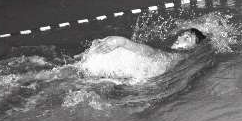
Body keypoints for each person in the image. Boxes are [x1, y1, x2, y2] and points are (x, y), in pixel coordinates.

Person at [76, 28, 207, 81]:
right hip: (135, 77)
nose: (180, 38)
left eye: (187, 38)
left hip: (139, 80)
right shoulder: (177, 55)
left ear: (193, 46)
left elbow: (153, 54)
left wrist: (123, 42)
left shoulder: (178, 55)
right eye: (183, 35)